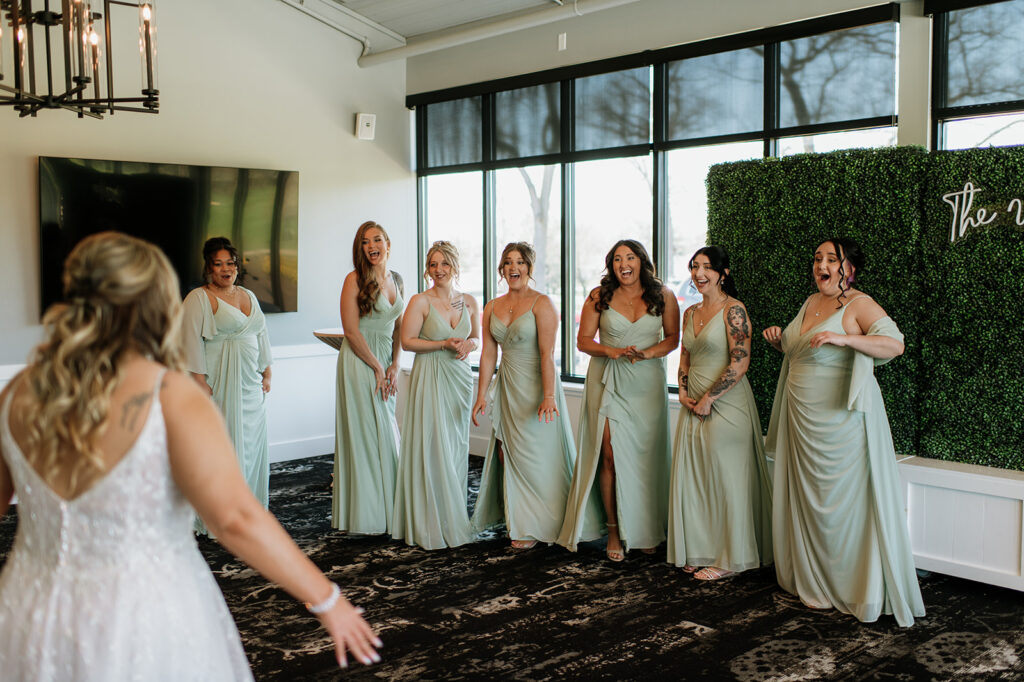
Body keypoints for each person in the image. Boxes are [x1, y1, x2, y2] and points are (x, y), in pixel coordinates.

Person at [0, 232, 380, 680]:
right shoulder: (169, 395)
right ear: (153, 302)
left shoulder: (18, 392)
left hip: (30, 610)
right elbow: (235, 518)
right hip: (143, 617)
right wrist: (329, 600)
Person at [762, 237, 924, 626]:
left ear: (848, 268)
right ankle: (815, 580)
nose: (822, 264)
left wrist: (845, 337)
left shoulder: (860, 304)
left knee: (844, 504)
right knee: (810, 498)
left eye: (831, 259)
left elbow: (894, 344)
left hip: (842, 423)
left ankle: (855, 586)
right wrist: (777, 339)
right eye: (817, 257)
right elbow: (801, 347)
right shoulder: (810, 302)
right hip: (802, 418)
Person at [557, 240, 678, 561]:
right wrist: (610, 351)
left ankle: (646, 528)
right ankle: (613, 531)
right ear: (611, 265)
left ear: (642, 261)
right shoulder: (599, 296)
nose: (624, 264)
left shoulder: (663, 296)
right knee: (608, 454)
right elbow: (583, 341)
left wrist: (650, 353)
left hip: (647, 383)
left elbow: (672, 338)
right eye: (617, 259)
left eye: (630, 257)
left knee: (644, 457)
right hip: (608, 379)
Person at [667, 246, 772, 580]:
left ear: (723, 273)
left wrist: (710, 398)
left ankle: (730, 559)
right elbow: (685, 356)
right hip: (691, 404)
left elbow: (740, 362)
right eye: (694, 267)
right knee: (695, 477)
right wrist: (683, 390)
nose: (699, 274)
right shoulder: (690, 312)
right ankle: (700, 548)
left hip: (726, 404)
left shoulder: (734, 310)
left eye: (707, 267)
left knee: (727, 479)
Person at [471, 242, 574, 549]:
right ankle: (519, 520)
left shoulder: (542, 304)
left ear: (529, 268)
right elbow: (489, 354)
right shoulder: (491, 306)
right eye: (508, 262)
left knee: (538, 456)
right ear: (501, 269)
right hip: (507, 387)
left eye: (520, 262)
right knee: (507, 454)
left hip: (536, 386)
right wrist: (481, 396)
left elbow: (547, 355)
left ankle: (545, 521)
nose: (513, 267)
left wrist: (549, 396)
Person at [392, 241, 480, 549]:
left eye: (444, 263)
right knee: (432, 442)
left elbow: (476, 338)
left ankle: (451, 513)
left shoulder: (468, 301)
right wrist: (443, 344)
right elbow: (407, 342)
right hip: (431, 375)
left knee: (455, 444)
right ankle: (428, 520)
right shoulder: (420, 301)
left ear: (455, 266)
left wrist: (470, 344)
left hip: (459, 378)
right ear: (427, 268)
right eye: (433, 264)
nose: (438, 269)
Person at [183, 237, 272, 534]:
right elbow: (189, 340)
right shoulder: (198, 298)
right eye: (218, 264)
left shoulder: (248, 295)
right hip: (218, 380)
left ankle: (247, 507)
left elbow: (261, 335)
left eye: (230, 263)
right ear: (209, 267)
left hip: (249, 380)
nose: (226, 269)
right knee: (222, 445)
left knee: (250, 443)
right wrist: (199, 380)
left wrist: (267, 370)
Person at [333, 221, 404, 535]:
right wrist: (376, 366)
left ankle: (391, 511)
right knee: (365, 435)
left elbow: (400, 327)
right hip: (360, 361)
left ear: (387, 243)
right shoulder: (353, 280)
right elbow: (350, 331)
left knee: (386, 431)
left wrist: (394, 365)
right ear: (360, 248)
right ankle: (368, 517)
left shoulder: (396, 279)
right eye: (365, 242)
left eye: (377, 239)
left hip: (385, 362)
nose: (372, 246)